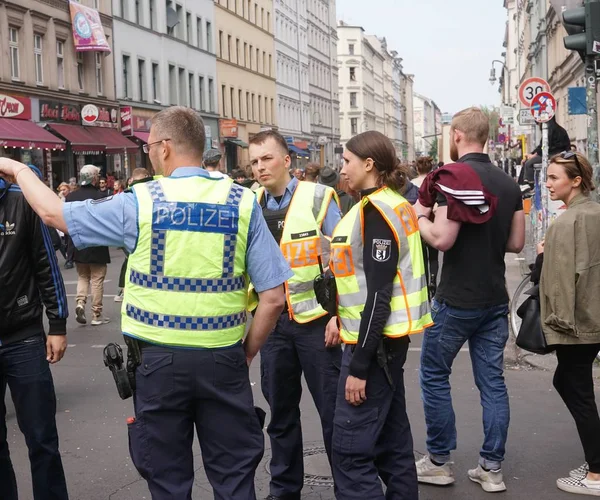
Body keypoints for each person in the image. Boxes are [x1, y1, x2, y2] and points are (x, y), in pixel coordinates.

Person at [0, 106, 292, 499]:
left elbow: (53, 213)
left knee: (168, 481)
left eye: (151, 145)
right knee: (235, 478)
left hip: (159, 363)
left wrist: (20, 171)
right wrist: (245, 354)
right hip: (223, 359)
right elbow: (273, 297)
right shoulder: (240, 202)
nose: (149, 152)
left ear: (166, 148)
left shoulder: (142, 202)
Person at [414, 107, 525, 492]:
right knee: (492, 383)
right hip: (495, 298)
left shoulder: (452, 179)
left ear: (457, 135)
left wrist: (419, 220)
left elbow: (443, 239)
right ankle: (491, 469)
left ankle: (439, 462)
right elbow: (516, 243)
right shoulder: (510, 184)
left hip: (456, 298)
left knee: (432, 374)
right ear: (488, 137)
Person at [327, 131, 432, 499]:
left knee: (351, 452)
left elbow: (378, 295)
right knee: (393, 444)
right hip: (386, 342)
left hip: (373, 347)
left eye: (347, 161)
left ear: (369, 164)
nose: (343, 169)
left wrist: (358, 367)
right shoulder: (392, 203)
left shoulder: (376, 212)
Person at [249, 130, 343, 500]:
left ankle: (347, 487)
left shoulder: (318, 198)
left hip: (316, 323)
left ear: (287, 160)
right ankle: (284, 490)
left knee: (333, 414)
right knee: (281, 415)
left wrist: (338, 315)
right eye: (254, 161)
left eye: (267, 158)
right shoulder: (250, 203)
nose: (260, 167)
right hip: (271, 324)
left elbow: (343, 259)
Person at [530, 151, 600, 496]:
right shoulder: (596, 212)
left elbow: (553, 283)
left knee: (578, 389)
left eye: (554, 178)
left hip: (575, 323)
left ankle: (597, 473)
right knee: (571, 382)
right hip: (594, 318)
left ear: (575, 181)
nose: (548, 183)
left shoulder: (565, 223)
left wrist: (541, 256)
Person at [0, 166, 69, 500]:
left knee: (41, 437)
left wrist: (56, 324)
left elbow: (46, 264)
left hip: (23, 336)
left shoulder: (20, 200)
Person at [65, 165, 111, 326]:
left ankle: (80, 302)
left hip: (78, 242)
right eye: (97, 176)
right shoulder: (100, 196)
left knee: (83, 276)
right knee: (97, 279)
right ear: (93, 178)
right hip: (97, 242)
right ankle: (96, 314)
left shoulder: (70, 197)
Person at [114, 168, 153, 303]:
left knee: (130, 263)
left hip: (128, 238)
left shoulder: (124, 196)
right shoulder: (151, 193)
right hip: (146, 237)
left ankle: (125, 291)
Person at [520, 116, 570, 185]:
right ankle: (525, 183)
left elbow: (544, 146)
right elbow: (542, 146)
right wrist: (532, 154)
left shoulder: (549, 130)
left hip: (555, 154)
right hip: (555, 152)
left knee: (529, 163)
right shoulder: (553, 128)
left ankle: (530, 184)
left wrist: (535, 154)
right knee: (527, 162)